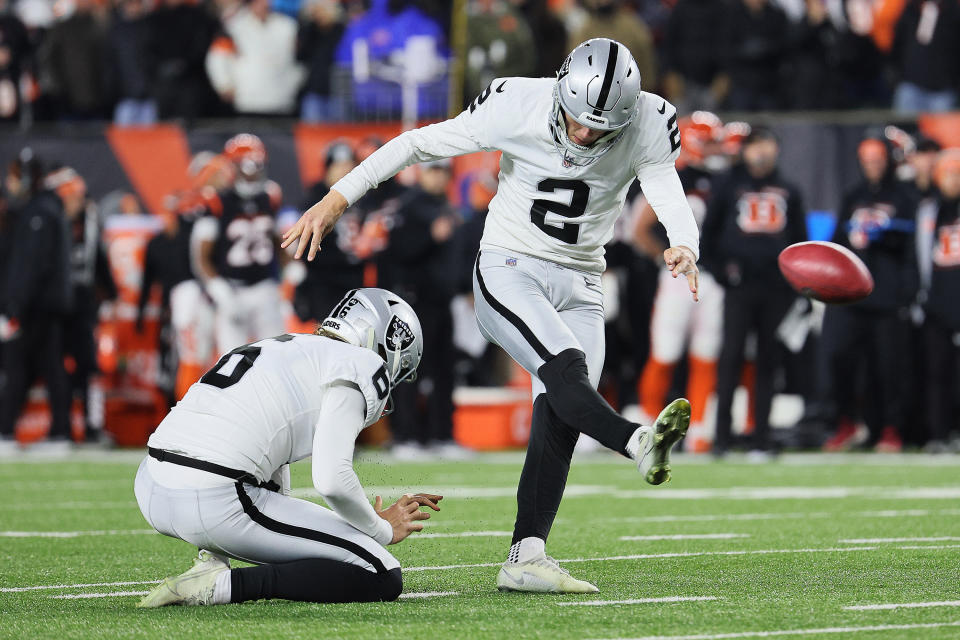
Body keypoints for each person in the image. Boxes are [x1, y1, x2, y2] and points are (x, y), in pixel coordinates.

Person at [282, 37, 698, 593]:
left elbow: (665, 186)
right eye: (577, 121)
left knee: (561, 414)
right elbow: (415, 145)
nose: (584, 135)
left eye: (601, 129)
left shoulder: (649, 119)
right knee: (568, 372)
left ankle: (526, 557)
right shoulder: (515, 104)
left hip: (583, 277)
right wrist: (338, 198)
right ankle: (637, 443)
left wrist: (684, 242)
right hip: (510, 265)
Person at [136, 288, 441, 607]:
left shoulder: (279, 345)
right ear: (389, 345)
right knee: (383, 572)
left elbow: (266, 462)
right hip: (214, 499)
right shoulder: (362, 363)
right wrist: (379, 529)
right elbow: (332, 480)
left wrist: (357, 521)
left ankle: (211, 559)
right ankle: (220, 586)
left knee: (251, 466)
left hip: (151, 486)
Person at [701, 127, 807, 457]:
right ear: (745, 150)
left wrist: (796, 285)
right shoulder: (728, 186)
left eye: (767, 144)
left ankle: (761, 436)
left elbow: (801, 242)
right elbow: (709, 238)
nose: (760, 152)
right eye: (755, 145)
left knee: (768, 362)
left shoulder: (790, 189)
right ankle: (721, 437)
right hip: (740, 286)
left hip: (776, 287)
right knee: (730, 358)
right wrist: (724, 274)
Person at [634, 112, 727, 453]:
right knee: (665, 352)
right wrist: (668, 256)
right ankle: (645, 425)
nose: (718, 149)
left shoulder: (722, 181)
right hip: (676, 280)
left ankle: (700, 431)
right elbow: (639, 229)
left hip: (712, 279)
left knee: (706, 353)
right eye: (711, 142)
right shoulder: (673, 177)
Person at [819, 137, 917, 453]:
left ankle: (889, 428)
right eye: (867, 159)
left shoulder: (904, 197)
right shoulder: (853, 196)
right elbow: (836, 245)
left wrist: (906, 290)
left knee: (888, 367)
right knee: (838, 358)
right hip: (850, 295)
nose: (872, 165)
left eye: (877, 158)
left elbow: (912, 249)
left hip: (887, 295)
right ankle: (846, 423)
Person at [381, 158, 462, 459]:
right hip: (414, 300)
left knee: (444, 371)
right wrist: (429, 236)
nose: (439, 177)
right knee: (408, 369)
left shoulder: (444, 205)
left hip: (442, 299)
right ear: (423, 173)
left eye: (444, 172)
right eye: (434, 171)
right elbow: (396, 251)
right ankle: (405, 436)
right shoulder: (408, 205)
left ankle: (442, 436)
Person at [0, 165, 74, 453]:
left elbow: (30, 265)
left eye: (14, 178)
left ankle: (6, 431)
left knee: (18, 367)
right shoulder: (44, 209)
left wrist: (15, 306)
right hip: (43, 306)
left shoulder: (38, 213)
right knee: (50, 367)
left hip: (35, 307)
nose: (10, 184)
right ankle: (59, 432)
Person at [193, 134, 286, 355]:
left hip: (265, 287)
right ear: (232, 167)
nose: (252, 174)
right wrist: (219, 290)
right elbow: (202, 256)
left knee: (277, 356)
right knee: (232, 361)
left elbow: (279, 240)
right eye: (246, 167)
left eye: (257, 166)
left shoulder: (270, 196)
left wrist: (289, 273)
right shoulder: (216, 201)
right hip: (231, 288)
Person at [917, 149, 960, 451]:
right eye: (947, 173)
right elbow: (917, 258)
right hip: (937, 303)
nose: (952, 180)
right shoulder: (928, 211)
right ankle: (937, 433)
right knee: (936, 372)